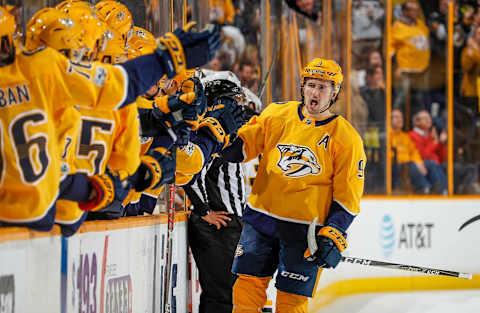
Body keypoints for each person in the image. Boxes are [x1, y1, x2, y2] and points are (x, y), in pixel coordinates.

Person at [220, 58, 366, 313]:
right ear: (302, 87)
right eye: (311, 85)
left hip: (305, 232)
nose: (315, 93)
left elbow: (348, 199)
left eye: (323, 87)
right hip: (261, 220)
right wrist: (222, 130)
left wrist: (333, 233)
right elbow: (239, 150)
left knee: (291, 301)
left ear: (335, 92)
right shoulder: (277, 114)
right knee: (246, 289)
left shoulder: (346, 138)